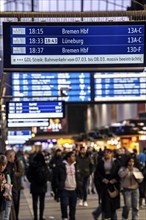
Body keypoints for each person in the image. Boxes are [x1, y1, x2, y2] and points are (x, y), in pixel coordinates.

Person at [92, 148, 120, 220]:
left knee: (113, 203)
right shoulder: (101, 162)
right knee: (105, 203)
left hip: (113, 184)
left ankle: (98, 213)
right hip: (104, 184)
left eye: (108, 152)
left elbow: (119, 172)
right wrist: (103, 179)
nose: (106, 154)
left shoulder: (116, 162)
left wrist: (115, 179)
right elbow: (97, 173)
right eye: (105, 152)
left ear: (111, 154)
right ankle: (104, 217)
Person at [118, 156, 144, 220]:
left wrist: (139, 177)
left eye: (132, 162)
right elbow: (121, 175)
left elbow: (140, 180)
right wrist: (127, 170)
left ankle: (135, 218)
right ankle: (124, 217)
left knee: (135, 206)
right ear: (127, 162)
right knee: (127, 206)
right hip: (126, 189)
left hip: (135, 189)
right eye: (130, 161)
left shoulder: (136, 169)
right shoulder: (123, 169)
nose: (131, 163)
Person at [26, 152, 49, 220]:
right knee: (42, 202)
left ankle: (35, 217)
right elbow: (47, 174)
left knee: (34, 201)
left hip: (34, 185)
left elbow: (28, 174)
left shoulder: (32, 165)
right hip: (42, 186)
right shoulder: (44, 165)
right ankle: (41, 216)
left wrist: (31, 180)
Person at [55, 151, 78, 220]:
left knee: (73, 207)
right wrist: (58, 186)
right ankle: (65, 217)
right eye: (72, 156)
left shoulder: (76, 165)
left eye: (74, 156)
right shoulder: (61, 166)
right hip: (64, 189)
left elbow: (79, 176)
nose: (74, 158)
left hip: (74, 189)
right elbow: (56, 177)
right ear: (68, 158)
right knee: (64, 205)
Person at [0, 154, 12, 220]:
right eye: (0, 165)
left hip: (6, 202)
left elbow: (9, 185)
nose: (1, 167)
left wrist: (8, 191)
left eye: (3, 165)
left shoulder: (6, 174)